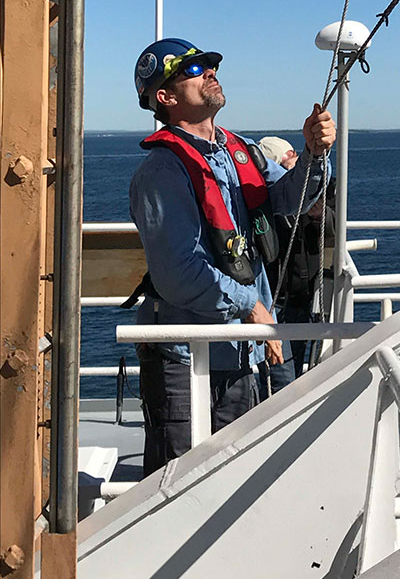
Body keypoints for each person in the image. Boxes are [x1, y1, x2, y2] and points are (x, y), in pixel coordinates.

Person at [128, 37, 335, 476]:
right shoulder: (163, 173)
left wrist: (314, 157)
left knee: (235, 481)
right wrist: (251, 306)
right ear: (164, 97)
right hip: (188, 364)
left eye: (209, 65)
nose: (209, 72)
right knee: (177, 491)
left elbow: (284, 200)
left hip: (241, 355)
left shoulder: (237, 152)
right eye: (193, 70)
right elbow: (178, 271)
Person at [256, 137, 335, 393]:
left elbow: (332, 229)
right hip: (273, 302)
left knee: (293, 373)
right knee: (282, 380)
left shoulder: (320, 190)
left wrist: (312, 206)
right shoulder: (264, 196)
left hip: (301, 298)